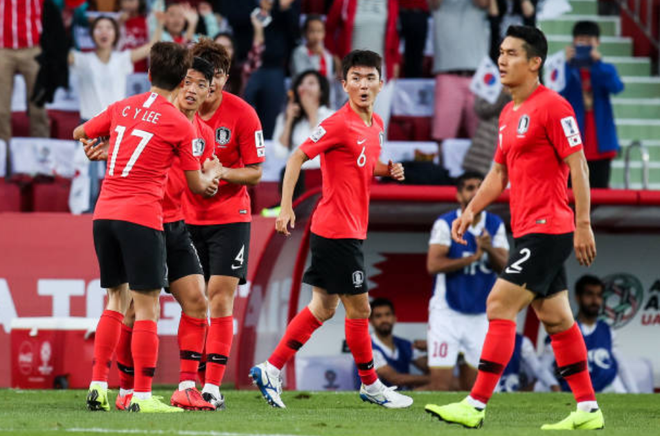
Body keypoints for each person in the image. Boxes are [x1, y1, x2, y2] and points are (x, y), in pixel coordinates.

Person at [424, 26, 603, 430]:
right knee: (557, 319)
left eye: (511, 54)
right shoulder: (508, 113)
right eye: (500, 53)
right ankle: (588, 410)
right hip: (527, 229)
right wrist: (469, 210)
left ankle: (475, 403)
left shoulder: (554, 107)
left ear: (535, 62)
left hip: (549, 227)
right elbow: (498, 174)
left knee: (498, 304)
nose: (502, 60)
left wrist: (583, 223)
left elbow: (580, 166)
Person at [249, 50, 411, 410]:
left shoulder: (376, 125)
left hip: (348, 229)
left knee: (322, 307)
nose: (363, 84)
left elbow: (363, 164)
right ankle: (371, 384)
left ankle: (270, 368)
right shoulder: (338, 122)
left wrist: (387, 170)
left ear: (381, 83)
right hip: (336, 230)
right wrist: (287, 206)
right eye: (356, 78)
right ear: (344, 84)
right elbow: (296, 157)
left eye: (370, 77)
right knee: (360, 310)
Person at [74, 41, 221, 413]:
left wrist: (112, 145)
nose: (192, 89)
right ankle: (138, 393)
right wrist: (215, 172)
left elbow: (81, 131)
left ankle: (99, 387)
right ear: (179, 82)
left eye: (201, 84)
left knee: (121, 299)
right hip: (144, 217)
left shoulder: (126, 107)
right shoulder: (179, 125)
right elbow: (198, 185)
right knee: (145, 308)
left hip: (109, 212)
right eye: (188, 81)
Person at [183, 39, 265, 410]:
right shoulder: (179, 111)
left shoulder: (244, 114)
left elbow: (256, 172)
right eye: (201, 77)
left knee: (219, 296)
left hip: (230, 218)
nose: (208, 85)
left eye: (215, 77)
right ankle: (187, 381)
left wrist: (222, 173)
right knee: (192, 302)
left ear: (225, 78)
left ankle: (213, 386)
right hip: (184, 216)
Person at [69, 15, 162, 211]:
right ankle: (82, 211)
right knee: (86, 174)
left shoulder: (122, 59)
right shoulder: (81, 59)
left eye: (108, 28)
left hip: (117, 126)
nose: (104, 32)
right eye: (99, 28)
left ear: (115, 33)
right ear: (92, 34)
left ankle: (115, 211)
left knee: (118, 173)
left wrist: (159, 23)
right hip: (89, 124)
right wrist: (66, 24)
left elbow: (153, 46)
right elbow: (57, 51)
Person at [426, 171, 509, 391]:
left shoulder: (495, 224)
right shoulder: (445, 223)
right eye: (469, 188)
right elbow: (433, 265)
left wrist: (489, 248)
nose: (474, 192)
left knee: (473, 389)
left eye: (479, 187)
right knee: (440, 385)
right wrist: (472, 257)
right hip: (447, 312)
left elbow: (506, 269)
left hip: (481, 315)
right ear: (459, 195)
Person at [539, 275, 638, 394]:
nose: (595, 300)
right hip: (574, 394)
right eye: (589, 294)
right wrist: (554, 387)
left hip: (607, 389)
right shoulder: (562, 329)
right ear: (578, 297)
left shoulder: (607, 330)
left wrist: (635, 393)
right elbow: (543, 368)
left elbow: (621, 366)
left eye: (599, 295)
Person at [561, 21, 624, 189]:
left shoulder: (605, 68)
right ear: (573, 42)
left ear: (598, 43)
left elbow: (617, 87)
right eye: (581, 40)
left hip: (600, 140)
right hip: (574, 139)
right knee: (570, 193)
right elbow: (557, 93)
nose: (585, 45)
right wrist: (566, 66)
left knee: (600, 192)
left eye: (589, 41)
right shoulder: (565, 68)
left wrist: (598, 64)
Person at [428, 0, 489, 144]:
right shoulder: (439, 6)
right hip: (447, 75)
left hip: (478, 77)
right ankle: (440, 167)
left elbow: (483, 2)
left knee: (483, 140)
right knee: (442, 137)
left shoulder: (479, 6)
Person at [272, 70, 334, 199]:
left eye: (311, 83)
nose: (304, 87)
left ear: (321, 91)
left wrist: (312, 112)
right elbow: (280, 152)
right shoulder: (285, 117)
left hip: (324, 178)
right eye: (301, 84)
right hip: (297, 179)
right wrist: (289, 120)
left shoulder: (332, 116)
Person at [243, 0, 301, 139]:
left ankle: (264, 153)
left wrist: (285, 10)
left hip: (275, 69)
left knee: (270, 118)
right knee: (244, 114)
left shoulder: (283, 11)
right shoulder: (248, 9)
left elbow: (295, 36)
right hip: (248, 68)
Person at [0, 0, 50, 157]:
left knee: (38, 106)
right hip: (2, 49)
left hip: (32, 48)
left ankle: (41, 156)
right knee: (1, 108)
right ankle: (3, 157)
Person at [325, 0, 400, 80]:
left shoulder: (392, 2)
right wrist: (335, 57)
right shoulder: (343, 2)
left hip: (381, 69)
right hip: (352, 67)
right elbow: (328, 31)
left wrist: (395, 61)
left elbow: (393, 34)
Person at [367, 298, 429, 389]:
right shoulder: (367, 346)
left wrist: (431, 348)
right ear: (371, 321)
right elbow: (395, 379)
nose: (384, 319)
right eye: (378, 316)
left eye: (387, 315)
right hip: (375, 401)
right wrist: (435, 379)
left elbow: (430, 367)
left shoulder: (405, 344)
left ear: (394, 318)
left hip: (403, 398)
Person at [462, 91, 512, 176]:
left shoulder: (531, 85)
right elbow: (480, 108)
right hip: (486, 141)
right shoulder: (493, 82)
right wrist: (502, 94)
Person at [290, 14, 335, 81]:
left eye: (319, 31)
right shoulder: (299, 52)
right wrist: (315, 56)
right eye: (312, 31)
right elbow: (303, 77)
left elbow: (328, 78)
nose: (316, 35)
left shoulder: (327, 54)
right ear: (304, 33)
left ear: (324, 33)